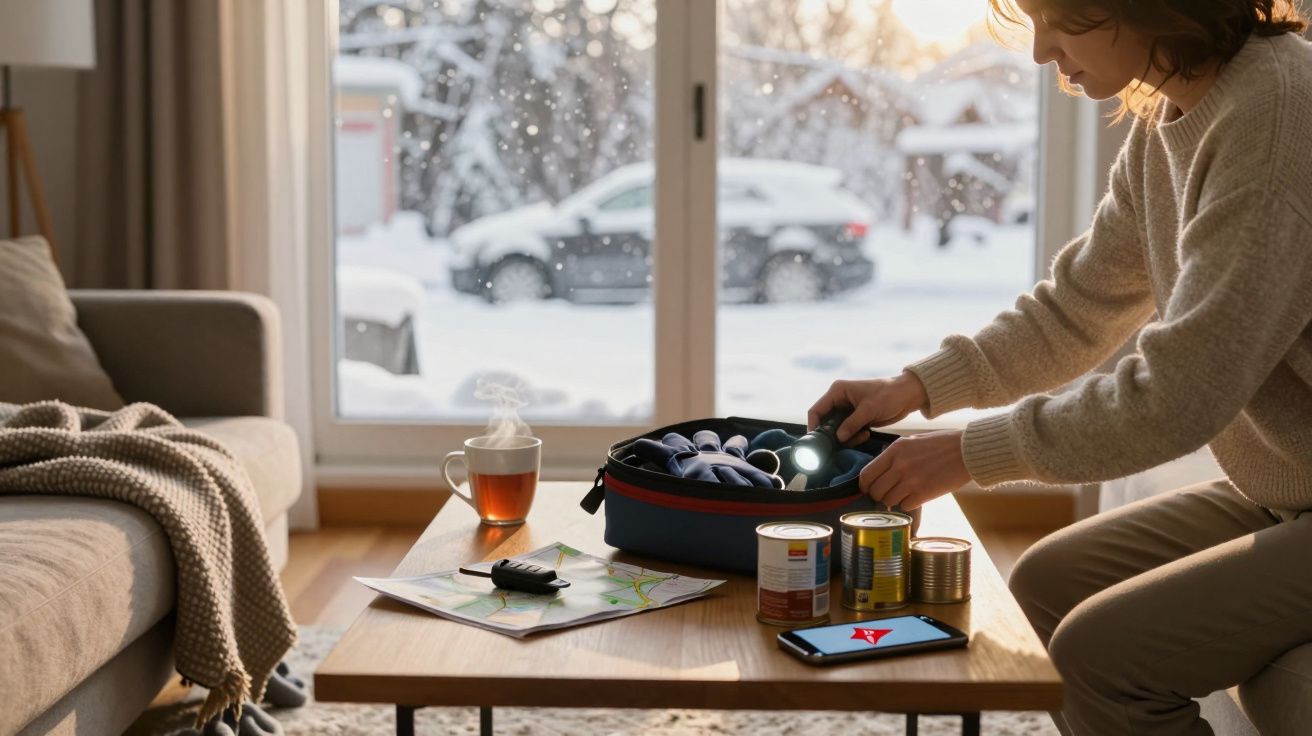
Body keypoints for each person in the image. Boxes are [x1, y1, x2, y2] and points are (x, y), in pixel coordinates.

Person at [806, 1, 1312, 733]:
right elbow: (1077, 307)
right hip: (1286, 486)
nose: (1042, 52)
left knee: (1099, 657)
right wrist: (915, 388)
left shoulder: (1272, 125)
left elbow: (1179, 395)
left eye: (1064, 21)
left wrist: (970, 453)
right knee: (1044, 583)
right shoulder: (1170, 117)